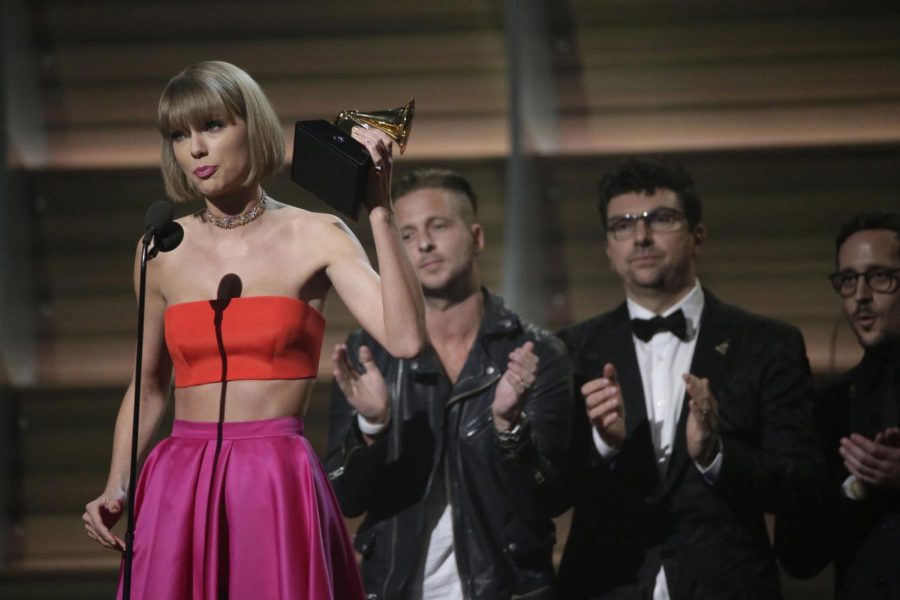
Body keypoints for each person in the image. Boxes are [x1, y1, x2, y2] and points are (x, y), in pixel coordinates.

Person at [81, 60, 426, 599]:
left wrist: (379, 208)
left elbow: (405, 340)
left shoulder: (318, 235)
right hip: (177, 482)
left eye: (212, 126)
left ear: (253, 127)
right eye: (179, 134)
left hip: (273, 480)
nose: (195, 148)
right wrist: (117, 484)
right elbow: (149, 386)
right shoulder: (160, 249)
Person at [555, 158, 822, 599]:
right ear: (608, 248)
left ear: (698, 235)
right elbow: (548, 493)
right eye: (622, 225)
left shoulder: (768, 343)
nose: (640, 236)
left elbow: (803, 483)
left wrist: (717, 454)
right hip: (605, 585)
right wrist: (602, 445)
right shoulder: (570, 351)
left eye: (660, 219)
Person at [325, 169, 572, 600]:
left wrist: (509, 429)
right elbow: (344, 498)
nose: (423, 244)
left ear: (476, 236)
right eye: (406, 235)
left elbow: (552, 497)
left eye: (437, 226)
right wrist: (371, 427)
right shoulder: (370, 352)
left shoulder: (536, 352)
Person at [776, 211, 900, 599]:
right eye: (848, 280)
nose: (861, 295)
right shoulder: (828, 406)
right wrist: (854, 489)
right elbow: (797, 556)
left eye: (879, 276)